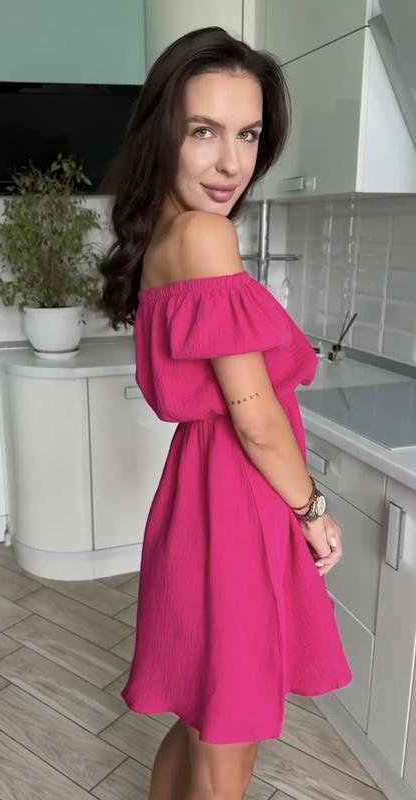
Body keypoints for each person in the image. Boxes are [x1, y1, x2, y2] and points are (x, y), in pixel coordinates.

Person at [98, 25, 353, 800]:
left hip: (200, 499)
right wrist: (312, 510)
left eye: (246, 134)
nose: (231, 162)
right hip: (237, 506)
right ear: (163, 135)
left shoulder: (163, 236)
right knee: (229, 745)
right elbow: (254, 419)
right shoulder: (205, 235)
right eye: (203, 131)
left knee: (202, 718)